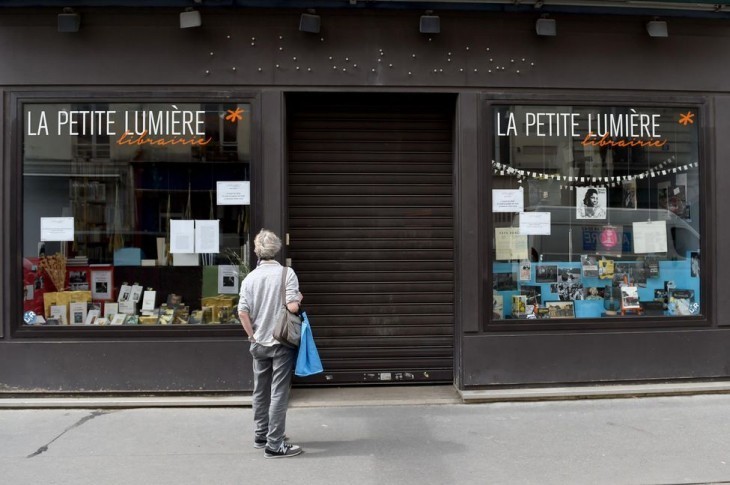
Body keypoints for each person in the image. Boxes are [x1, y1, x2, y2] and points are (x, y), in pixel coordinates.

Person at [238, 229, 304, 458]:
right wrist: (299, 299)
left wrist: (251, 336)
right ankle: (275, 445)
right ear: (276, 249)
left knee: (260, 390)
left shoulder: (249, 278)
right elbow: (293, 307)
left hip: (258, 342)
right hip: (280, 340)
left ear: (257, 251)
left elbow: (242, 312)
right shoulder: (287, 273)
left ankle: (261, 434)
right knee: (278, 392)